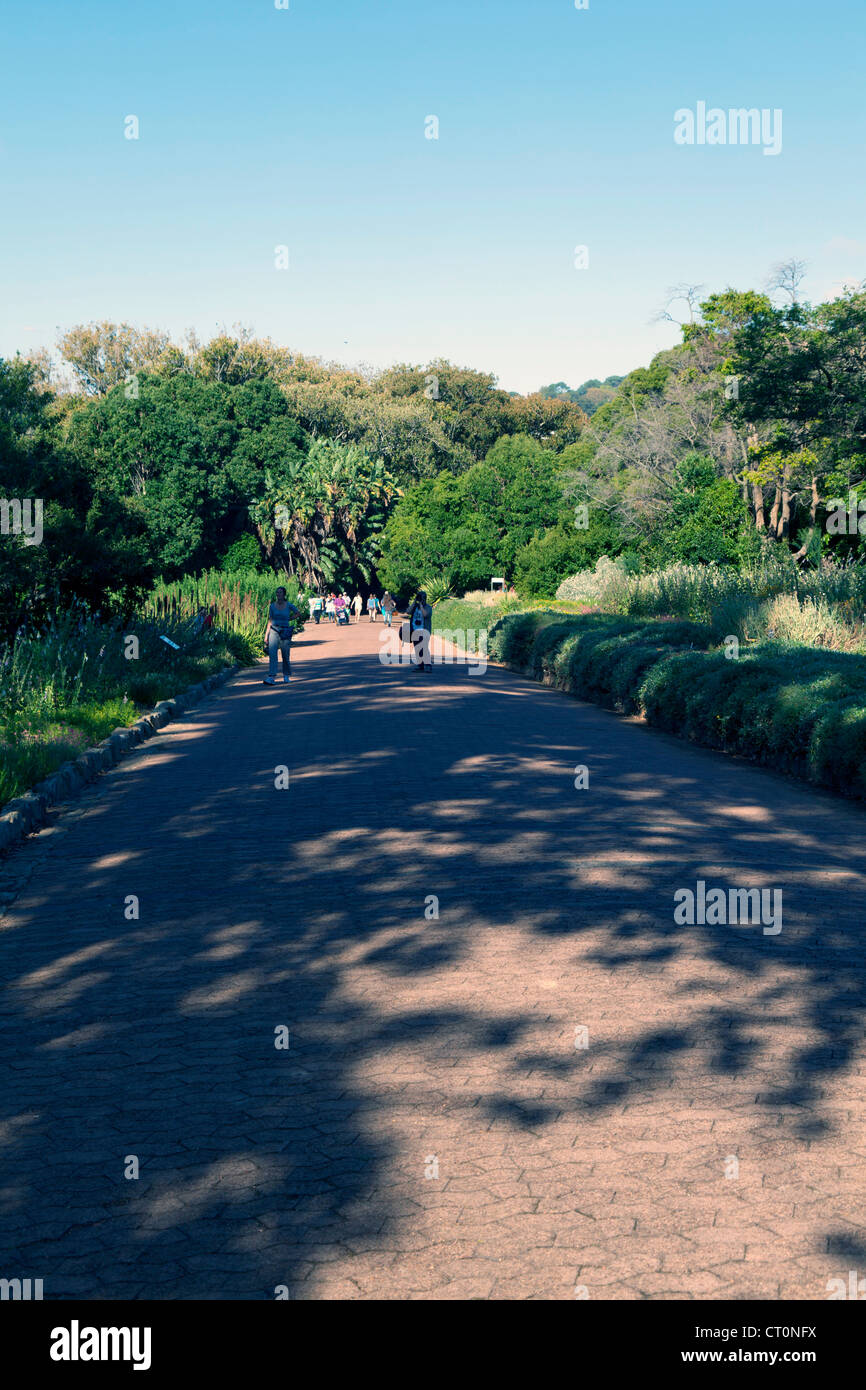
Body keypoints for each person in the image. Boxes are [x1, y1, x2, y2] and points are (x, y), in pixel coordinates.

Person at [263, 586, 300, 685]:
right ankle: (271, 677)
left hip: (285, 631)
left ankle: (286, 675)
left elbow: (297, 613)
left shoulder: (288, 605)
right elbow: (270, 620)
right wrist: (266, 636)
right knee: (272, 654)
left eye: (280, 592)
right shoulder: (272, 606)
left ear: (284, 594)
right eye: (277, 592)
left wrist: (289, 619)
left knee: (285, 654)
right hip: (274, 630)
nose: (278, 594)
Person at [408, 590, 433, 671]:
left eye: (422, 598)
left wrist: (421, 606)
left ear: (425, 599)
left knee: (424, 648)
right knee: (417, 648)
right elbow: (408, 611)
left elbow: (425, 614)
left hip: (424, 630)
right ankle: (420, 665)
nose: (421, 599)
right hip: (415, 630)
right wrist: (415, 602)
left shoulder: (428, 607)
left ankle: (428, 665)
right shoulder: (415, 606)